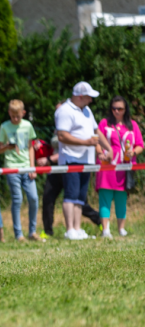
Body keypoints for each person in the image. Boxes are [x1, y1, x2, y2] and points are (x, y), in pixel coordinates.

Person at [55, 82, 112, 240]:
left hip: (87, 160)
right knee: (71, 195)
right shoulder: (65, 111)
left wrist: (108, 148)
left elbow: (96, 132)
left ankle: (78, 229)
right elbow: (62, 136)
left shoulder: (86, 110)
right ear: (80, 96)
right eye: (89, 97)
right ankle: (70, 229)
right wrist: (85, 143)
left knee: (80, 197)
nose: (91, 100)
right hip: (71, 159)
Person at [38, 119, 101, 237]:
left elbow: (67, 150)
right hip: (56, 169)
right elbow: (57, 148)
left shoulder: (74, 129)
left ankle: (98, 220)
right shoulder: (57, 128)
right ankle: (48, 231)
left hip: (69, 166)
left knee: (77, 199)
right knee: (48, 198)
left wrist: (49, 159)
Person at [96, 95, 143, 238]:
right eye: (114, 108)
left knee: (122, 197)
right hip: (107, 165)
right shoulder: (104, 123)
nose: (116, 111)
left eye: (120, 109)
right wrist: (100, 153)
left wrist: (133, 151)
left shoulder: (132, 125)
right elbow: (96, 140)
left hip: (125, 166)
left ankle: (121, 229)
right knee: (105, 196)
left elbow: (140, 145)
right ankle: (105, 230)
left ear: (125, 109)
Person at [0, 100, 40, 242]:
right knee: (17, 199)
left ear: (23, 113)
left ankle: (32, 232)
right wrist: (7, 147)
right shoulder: (4, 127)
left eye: (18, 116)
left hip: (27, 167)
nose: (15, 119)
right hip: (11, 167)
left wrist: (32, 167)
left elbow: (30, 147)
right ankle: (18, 234)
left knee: (33, 198)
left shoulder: (27, 126)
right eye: (13, 116)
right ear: (9, 113)